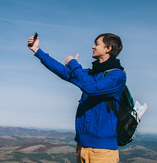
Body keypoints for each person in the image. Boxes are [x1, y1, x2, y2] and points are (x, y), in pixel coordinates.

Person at [27, 33, 126, 163]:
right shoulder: (91, 74)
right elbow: (63, 72)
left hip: (102, 151)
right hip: (81, 146)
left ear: (108, 49)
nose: (93, 46)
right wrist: (37, 50)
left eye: (97, 44)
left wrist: (74, 65)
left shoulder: (117, 76)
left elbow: (92, 89)